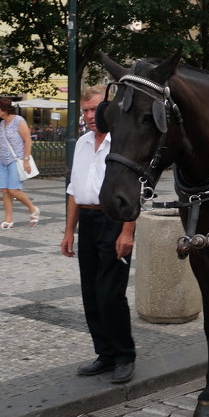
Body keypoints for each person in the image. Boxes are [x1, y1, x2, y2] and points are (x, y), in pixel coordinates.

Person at [61, 85, 137, 384]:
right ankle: (104, 354)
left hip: (115, 220)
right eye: (86, 111)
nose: (90, 116)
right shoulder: (81, 143)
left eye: (95, 109)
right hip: (89, 222)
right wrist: (69, 231)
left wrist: (128, 231)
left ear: (108, 109)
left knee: (110, 293)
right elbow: (73, 191)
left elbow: (134, 192)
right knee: (91, 293)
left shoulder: (121, 143)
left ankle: (124, 355)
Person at [0, 97, 40, 229]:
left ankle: (33, 208)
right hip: (3, 162)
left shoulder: (18, 120)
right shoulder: (2, 124)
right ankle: (8, 220)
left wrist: (26, 160)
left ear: (5, 110)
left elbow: (28, 140)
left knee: (13, 190)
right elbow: (1, 144)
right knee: (5, 191)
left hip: (15, 160)